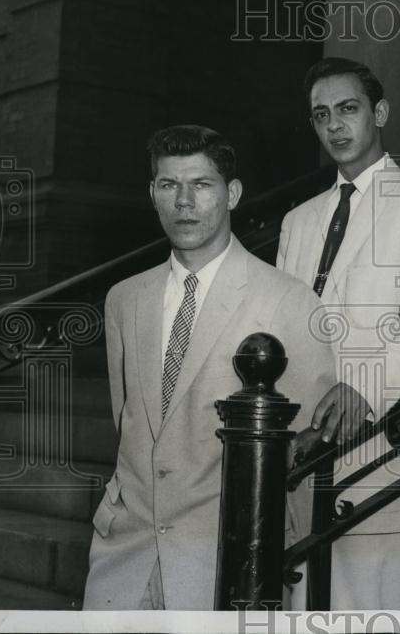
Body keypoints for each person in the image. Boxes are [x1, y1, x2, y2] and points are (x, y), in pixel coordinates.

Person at [83, 125, 335, 610]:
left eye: (200, 184)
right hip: (124, 556)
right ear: (152, 194)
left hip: (222, 564)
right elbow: (129, 423)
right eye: (167, 184)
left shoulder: (288, 300)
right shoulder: (124, 299)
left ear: (233, 194)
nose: (183, 202)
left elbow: (301, 451)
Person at [276, 57, 400, 609]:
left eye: (348, 109)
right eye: (321, 115)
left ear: (379, 112)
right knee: (300, 601)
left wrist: (363, 384)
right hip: (303, 442)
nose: (334, 125)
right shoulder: (299, 220)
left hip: (380, 440)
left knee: (362, 604)